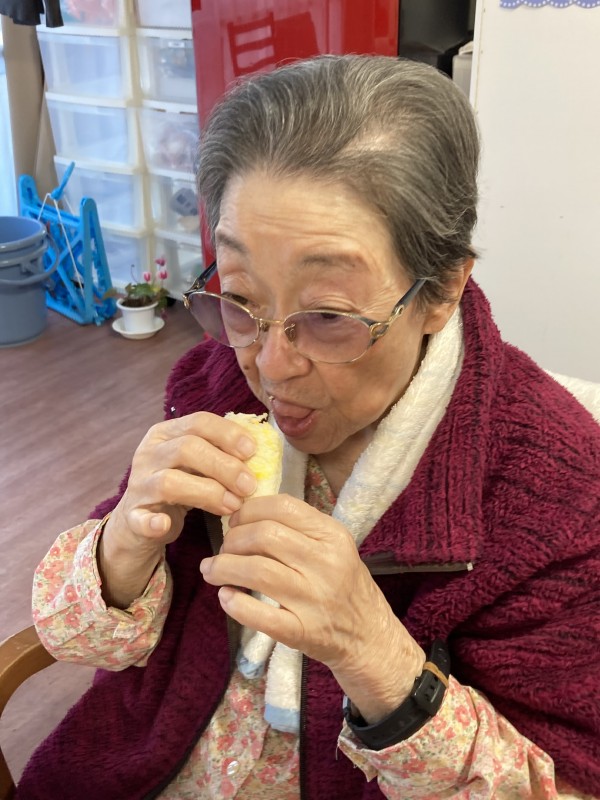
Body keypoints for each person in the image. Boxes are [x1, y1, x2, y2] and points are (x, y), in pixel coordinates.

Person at [17, 55, 600, 800]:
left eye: (327, 315)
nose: (271, 367)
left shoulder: (555, 492)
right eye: (240, 297)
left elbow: (560, 782)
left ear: (442, 290)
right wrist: (123, 544)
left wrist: (377, 656)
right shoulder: (213, 383)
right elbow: (79, 635)